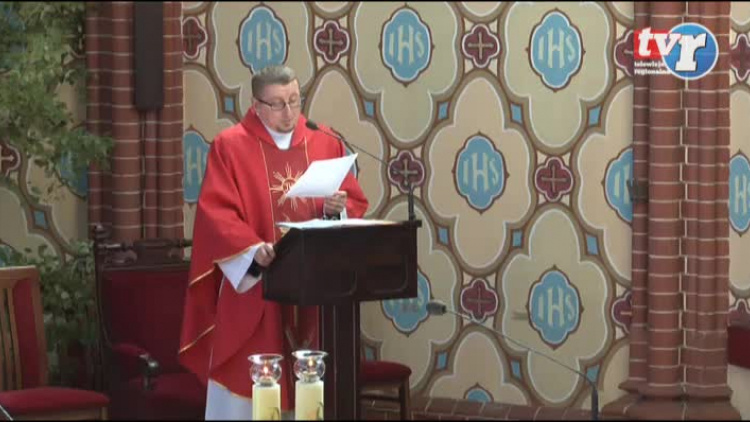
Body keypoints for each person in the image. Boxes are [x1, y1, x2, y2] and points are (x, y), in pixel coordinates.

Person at [179, 65, 369, 420]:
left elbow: (353, 201)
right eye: (278, 104)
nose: (289, 113)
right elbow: (216, 214)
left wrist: (336, 209)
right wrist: (253, 250)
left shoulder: (324, 141)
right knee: (253, 382)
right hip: (257, 287)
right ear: (256, 105)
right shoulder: (230, 146)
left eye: (295, 101)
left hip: (314, 292)